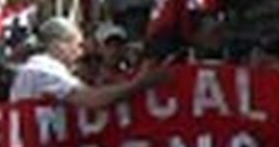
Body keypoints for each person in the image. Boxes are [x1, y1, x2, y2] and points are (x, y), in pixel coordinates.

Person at [10, 17, 172, 110]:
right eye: (78, 45)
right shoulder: (43, 69)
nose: (81, 52)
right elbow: (90, 99)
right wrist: (139, 84)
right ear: (59, 44)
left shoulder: (37, 68)